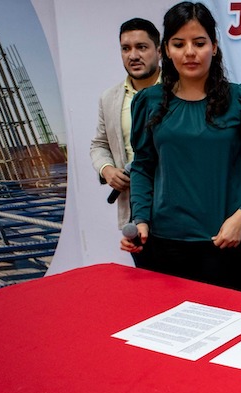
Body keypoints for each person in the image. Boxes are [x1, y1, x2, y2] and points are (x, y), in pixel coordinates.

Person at [121, 2, 241, 293]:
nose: (189, 52)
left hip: (224, 243)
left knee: (227, 332)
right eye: (179, 44)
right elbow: (143, 166)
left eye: (199, 42)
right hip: (160, 244)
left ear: (214, 47)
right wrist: (140, 219)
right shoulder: (148, 102)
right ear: (166, 49)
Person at [90, 18, 161, 232]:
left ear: (159, 51)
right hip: (133, 213)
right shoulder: (109, 98)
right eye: (126, 48)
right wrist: (107, 169)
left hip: (179, 211)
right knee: (141, 267)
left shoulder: (181, 90)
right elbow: (99, 144)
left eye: (141, 47)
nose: (133, 55)